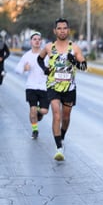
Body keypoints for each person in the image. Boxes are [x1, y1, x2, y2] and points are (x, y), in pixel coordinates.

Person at [37, 18, 87, 161]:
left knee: (65, 118)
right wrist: (45, 69)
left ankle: (62, 137)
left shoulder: (75, 48)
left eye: (64, 28)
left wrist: (74, 61)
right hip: (53, 86)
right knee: (56, 114)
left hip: (69, 88)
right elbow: (39, 60)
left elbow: (84, 67)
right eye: (59, 28)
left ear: (68, 30)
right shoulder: (48, 47)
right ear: (55, 31)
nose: (62, 30)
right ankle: (58, 148)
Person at [15, 32, 49, 139]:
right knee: (32, 110)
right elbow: (17, 69)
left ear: (41, 41)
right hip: (31, 87)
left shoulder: (46, 56)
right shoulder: (27, 56)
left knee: (44, 111)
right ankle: (35, 130)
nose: (37, 41)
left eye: (39, 39)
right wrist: (24, 69)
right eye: (35, 39)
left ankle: (39, 112)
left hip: (44, 87)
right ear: (31, 42)